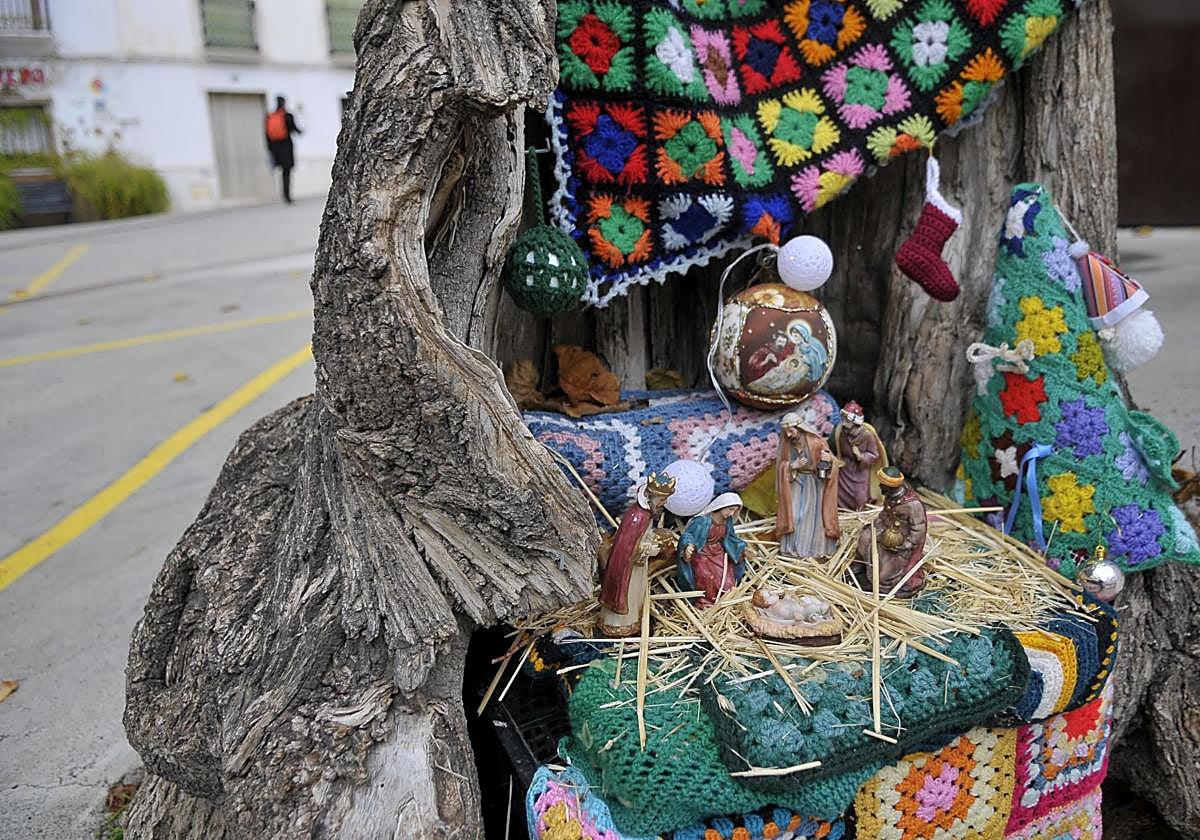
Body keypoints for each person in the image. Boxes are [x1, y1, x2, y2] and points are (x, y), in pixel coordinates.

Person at [597, 472, 676, 637]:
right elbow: (627, 548)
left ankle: (632, 623)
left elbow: (639, 538)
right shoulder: (638, 517)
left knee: (636, 595)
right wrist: (651, 548)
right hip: (627, 567)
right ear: (652, 497)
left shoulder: (645, 514)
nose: (665, 503)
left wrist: (653, 538)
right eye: (662, 500)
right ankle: (619, 626)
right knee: (629, 594)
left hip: (636, 565)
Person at [850, 466, 928, 597]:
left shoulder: (912, 505)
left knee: (884, 572)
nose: (880, 487)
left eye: (883, 485)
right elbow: (885, 515)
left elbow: (919, 529)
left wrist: (905, 544)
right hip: (886, 531)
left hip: (901, 541)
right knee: (866, 536)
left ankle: (885, 581)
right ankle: (861, 566)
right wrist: (878, 526)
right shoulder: (891, 497)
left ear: (891, 487)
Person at [775, 412, 840, 557]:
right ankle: (792, 548)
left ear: (800, 428)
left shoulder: (816, 442)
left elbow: (833, 461)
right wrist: (792, 466)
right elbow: (781, 466)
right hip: (795, 482)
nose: (789, 435)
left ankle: (813, 550)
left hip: (815, 484)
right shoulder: (786, 444)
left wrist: (829, 459)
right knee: (795, 514)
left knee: (813, 518)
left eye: (791, 430)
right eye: (786, 432)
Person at [676, 492, 747, 608]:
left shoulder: (727, 521)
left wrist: (741, 547)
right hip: (702, 553)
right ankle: (705, 601)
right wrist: (688, 545)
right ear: (721, 506)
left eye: (734, 511)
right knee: (706, 576)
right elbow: (688, 535)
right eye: (730, 509)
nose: (732, 513)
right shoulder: (702, 521)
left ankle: (724, 601)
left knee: (728, 582)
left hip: (718, 552)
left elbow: (730, 537)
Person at [833, 401, 888, 510]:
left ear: (855, 421)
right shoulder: (840, 431)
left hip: (860, 470)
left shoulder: (867, 435)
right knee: (839, 493)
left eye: (846, 420)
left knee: (860, 496)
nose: (843, 423)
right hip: (845, 469)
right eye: (843, 420)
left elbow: (874, 455)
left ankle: (859, 511)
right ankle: (843, 510)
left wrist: (860, 456)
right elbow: (837, 449)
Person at [265, 96, 302, 203]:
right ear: (284, 103)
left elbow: (266, 135)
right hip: (286, 146)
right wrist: (300, 131)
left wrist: (270, 149)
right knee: (287, 171)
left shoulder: (269, 116)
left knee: (282, 171)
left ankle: (284, 194)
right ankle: (287, 195)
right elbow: (294, 128)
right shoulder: (287, 115)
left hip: (275, 148)